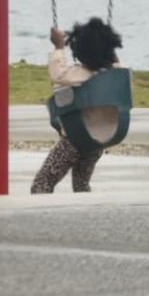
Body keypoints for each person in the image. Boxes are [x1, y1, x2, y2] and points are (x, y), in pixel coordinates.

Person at [31, 17, 123, 193]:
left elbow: (58, 74)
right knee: (81, 185)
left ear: (80, 52)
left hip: (74, 140)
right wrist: (110, 48)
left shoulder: (79, 74)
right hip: (99, 142)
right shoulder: (118, 75)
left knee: (42, 184)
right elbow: (116, 63)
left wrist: (59, 47)